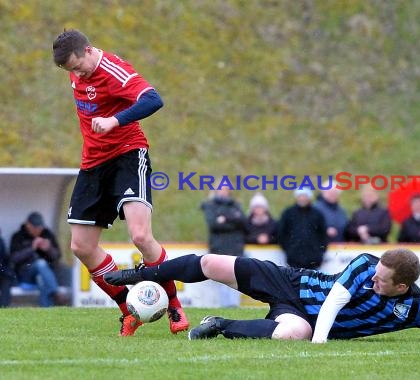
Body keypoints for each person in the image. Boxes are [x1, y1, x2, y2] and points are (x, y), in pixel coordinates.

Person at [104, 248, 420, 344]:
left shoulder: (413, 308)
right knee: (210, 264)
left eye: (384, 280)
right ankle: (137, 273)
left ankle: (219, 327)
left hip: (302, 318)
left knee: (290, 332)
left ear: (401, 288)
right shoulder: (367, 264)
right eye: (377, 273)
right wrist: (321, 345)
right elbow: (334, 301)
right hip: (291, 284)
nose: (374, 280)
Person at [52, 29, 187, 335]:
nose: (76, 74)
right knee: (81, 246)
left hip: (127, 155)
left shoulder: (113, 69)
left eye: (78, 66)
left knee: (140, 235)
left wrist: (115, 121)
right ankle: (129, 308)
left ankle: (175, 306)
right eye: (70, 71)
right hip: (93, 164)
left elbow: (153, 99)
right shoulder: (78, 70)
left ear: (89, 50)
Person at [201, 185, 247, 307]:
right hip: (219, 248)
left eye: (226, 189)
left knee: (236, 278)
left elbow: (243, 221)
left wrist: (225, 219)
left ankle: (234, 306)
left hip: (235, 248)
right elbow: (214, 224)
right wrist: (233, 221)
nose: (224, 191)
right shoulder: (210, 205)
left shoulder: (235, 204)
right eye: (221, 189)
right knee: (223, 279)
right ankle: (225, 306)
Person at [9, 212, 62, 307]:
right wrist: (32, 248)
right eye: (35, 228)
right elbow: (13, 259)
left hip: (45, 275)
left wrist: (49, 249)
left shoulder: (47, 234)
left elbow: (57, 256)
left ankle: (46, 313)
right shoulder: (18, 236)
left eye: (40, 228)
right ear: (28, 225)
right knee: (40, 263)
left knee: (41, 279)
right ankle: (55, 292)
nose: (38, 231)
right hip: (24, 274)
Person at [278, 187, 328, 269]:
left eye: (305, 196)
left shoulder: (317, 214)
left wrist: (319, 252)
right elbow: (281, 234)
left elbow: (323, 235)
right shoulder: (288, 213)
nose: (302, 199)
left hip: (314, 259)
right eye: (300, 196)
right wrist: (289, 250)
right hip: (293, 259)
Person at [0, 230, 15, 307]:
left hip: (2, 273)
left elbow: (6, 259)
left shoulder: (1, 242)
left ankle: (3, 308)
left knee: (7, 279)